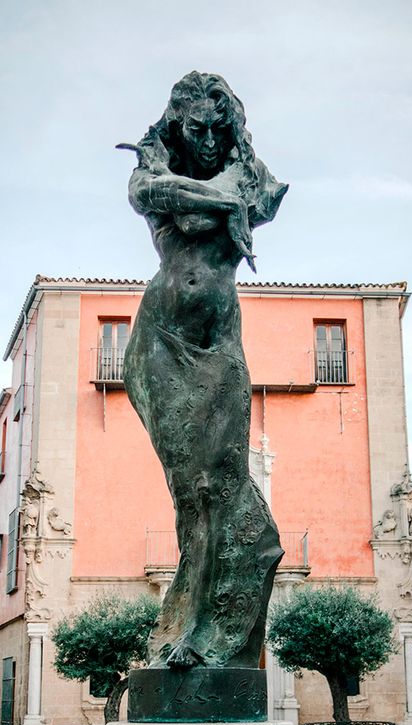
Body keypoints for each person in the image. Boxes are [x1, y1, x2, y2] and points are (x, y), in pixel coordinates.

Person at [120, 72, 288, 670]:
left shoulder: (253, 174)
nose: (212, 141)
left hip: (215, 347)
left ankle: (212, 625)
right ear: (178, 125)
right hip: (159, 341)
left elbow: (258, 199)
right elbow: (149, 196)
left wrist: (207, 193)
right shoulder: (153, 172)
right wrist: (223, 205)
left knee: (220, 483)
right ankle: (187, 621)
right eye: (198, 129)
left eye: (222, 129)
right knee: (187, 492)